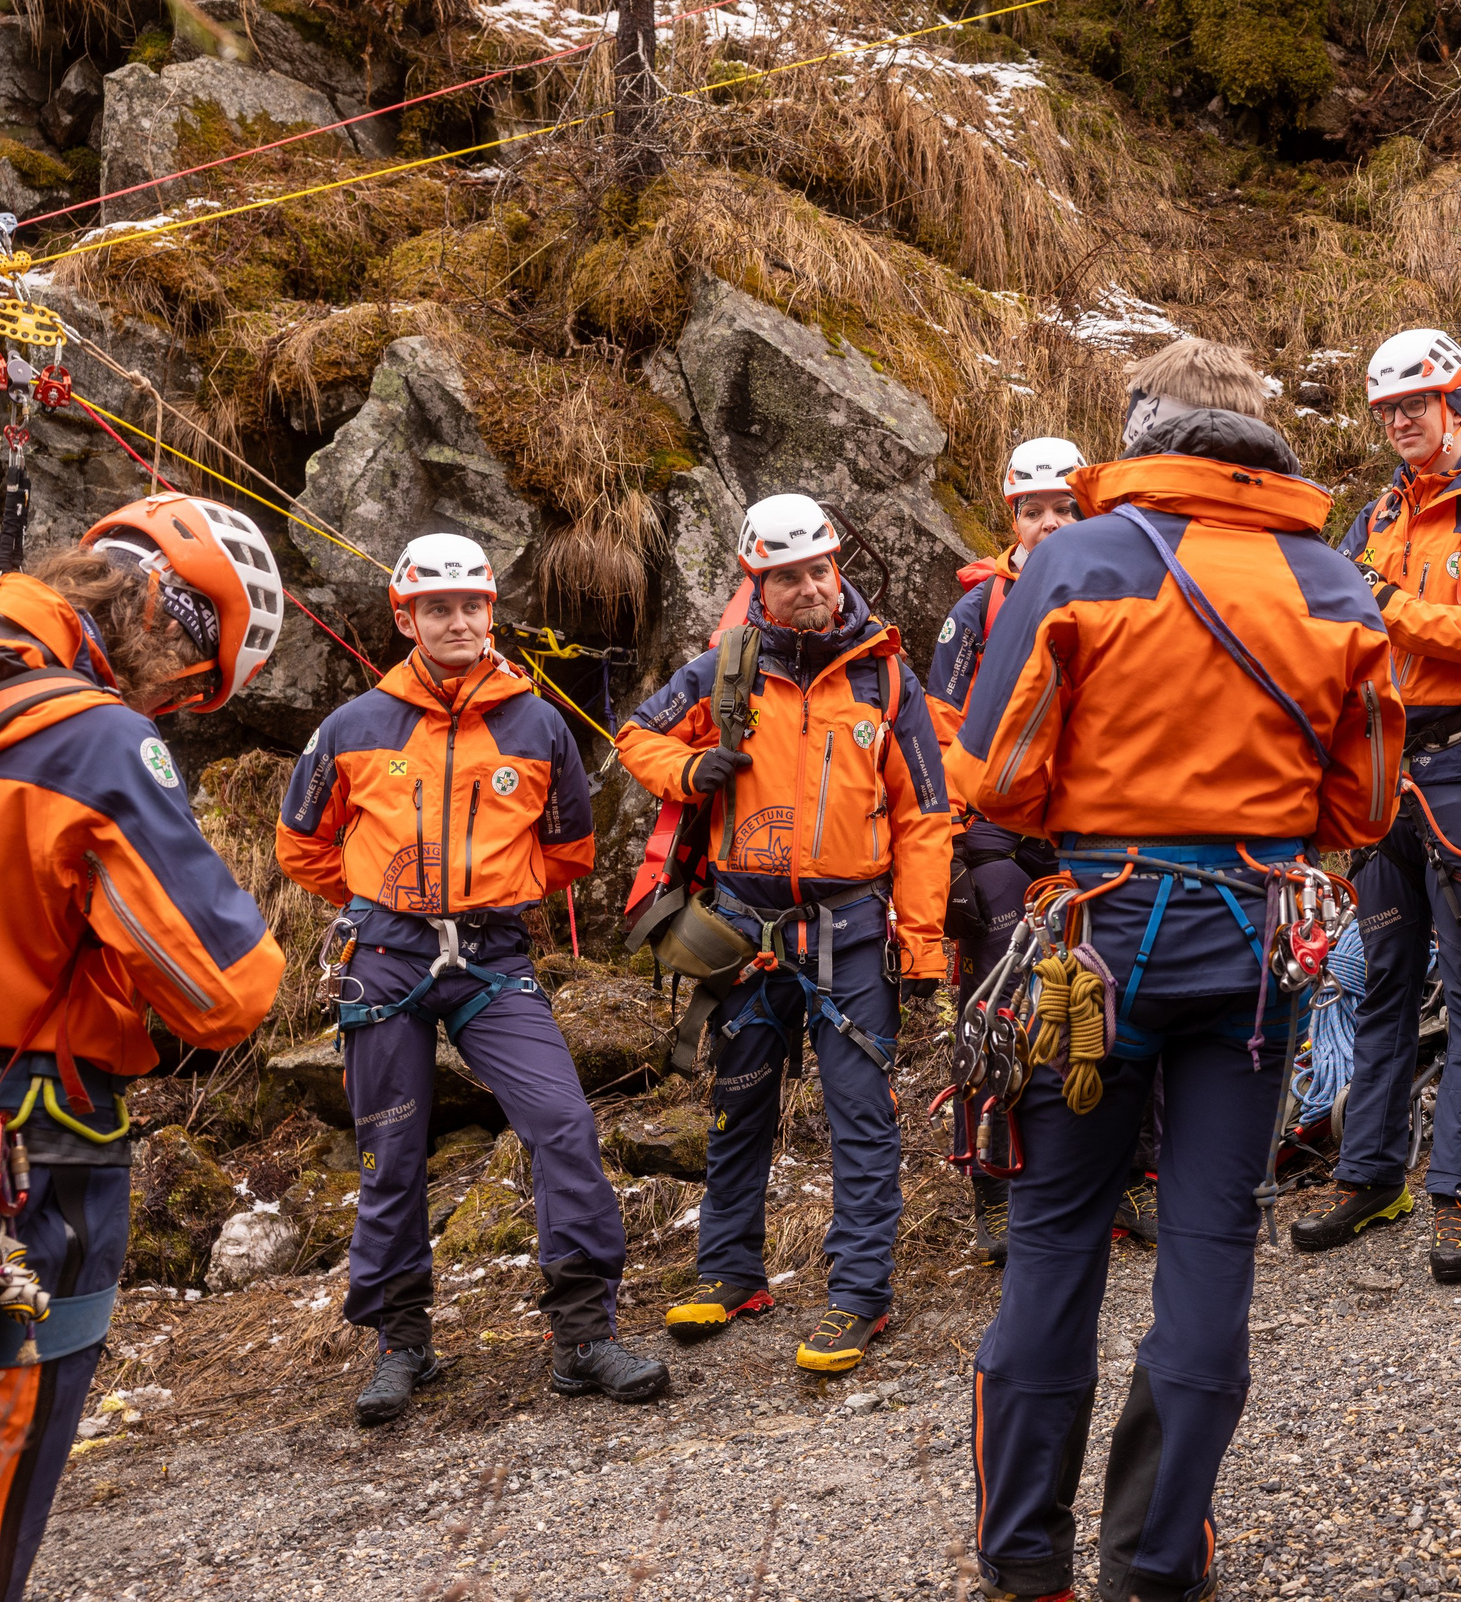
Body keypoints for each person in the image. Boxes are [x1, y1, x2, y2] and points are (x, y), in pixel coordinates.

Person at [948, 336, 1399, 1602]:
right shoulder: (1333, 580)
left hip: (1095, 935)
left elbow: (993, 772)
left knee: (1052, 1243)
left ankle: (1024, 1556)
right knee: (1210, 1246)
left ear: (1146, 429)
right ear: (1263, 440)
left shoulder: (1080, 558)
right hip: (1254, 938)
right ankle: (1155, 1564)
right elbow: (1365, 802)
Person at [279, 532, 668, 1419]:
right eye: (437, 607)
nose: (457, 620)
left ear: (490, 610)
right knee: (392, 1155)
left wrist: (495, 892)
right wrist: (379, 899)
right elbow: (299, 843)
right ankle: (402, 1344)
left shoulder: (537, 724)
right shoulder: (353, 725)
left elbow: (570, 849)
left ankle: (583, 1336)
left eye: (471, 605)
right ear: (406, 615)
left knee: (564, 1124)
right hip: (386, 960)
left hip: (493, 959)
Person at [0, 494, 284, 1597]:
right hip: (39, 1138)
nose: (173, 705)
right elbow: (225, 989)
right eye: (189, 681)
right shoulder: (91, 737)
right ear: (171, 613)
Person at [616, 493, 950, 1373]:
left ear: (839, 567)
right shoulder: (720, 672)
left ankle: (859, 1295)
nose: (810, 588)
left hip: (852, 926)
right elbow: (633, 736)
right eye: (788, 575)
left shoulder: (885, 677)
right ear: (755, 581)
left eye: (819, 569)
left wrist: (921, 942)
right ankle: (730, 1271)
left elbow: (926, 816)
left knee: (860, 1115)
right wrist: (689, 770)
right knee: (739, 1103)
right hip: (744, 928)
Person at [1291, 326, 1461, 1284]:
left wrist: (1383, 600)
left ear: (1458, 404)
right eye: (1387, 409)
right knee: (1382, 976)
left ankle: (1460, 1193)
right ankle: (1372, 1173)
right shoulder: (1378, 511)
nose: (1400, 422)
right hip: (1384, 771)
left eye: (1415, 405)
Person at [928, 437, 1119, 1267]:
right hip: (995, 828)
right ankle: (996, 1188)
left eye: (1063, 509)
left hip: (1084, 822)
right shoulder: (977, 611)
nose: (1047, 523)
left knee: (1109, 994)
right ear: (1010, 516)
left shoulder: (1114, 587)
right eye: (1032, 510)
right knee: (998, 998)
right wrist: (955, 844)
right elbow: (937, 724)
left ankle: (1119, 1173)